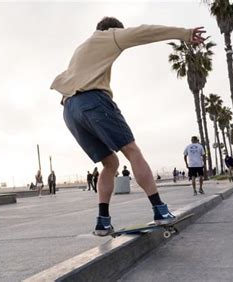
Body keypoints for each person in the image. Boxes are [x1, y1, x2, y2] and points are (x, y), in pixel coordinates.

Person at [50, 16, 206, 236]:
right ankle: (159, 210)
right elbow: (145, 32)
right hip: (93, 101)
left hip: (70, 110)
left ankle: (103, 221)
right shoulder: (109, 35)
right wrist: (185, 34)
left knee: (110, 163)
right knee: (132, 151)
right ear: (112, 30)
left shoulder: (81, 49)